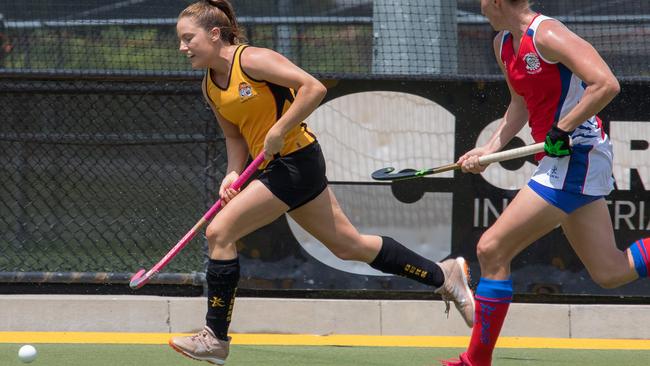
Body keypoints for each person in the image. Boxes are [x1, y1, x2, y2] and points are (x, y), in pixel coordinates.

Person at [168, 1, 474, 364]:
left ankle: (215, 337)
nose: (183, 47)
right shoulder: (209, 86)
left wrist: (280, 129)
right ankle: (444, 274)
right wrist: (233, 172)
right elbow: (235, 137)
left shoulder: (251, 61)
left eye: (189, 38)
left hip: (295, 162)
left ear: (215, 34)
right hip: (273, 167)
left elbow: (312, 88)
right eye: (181, 41)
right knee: (349, 245)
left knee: (219, 233)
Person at [441, 1, 650, 365]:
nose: (478, 4)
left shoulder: (547, 34)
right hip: (558, 158)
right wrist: (487, 150)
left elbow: (606, 84)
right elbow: (519, 104)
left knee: (491, 249)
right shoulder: (503, 43)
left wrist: (563, 128)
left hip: (578, 155)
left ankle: (475, 360)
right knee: (610, 271)